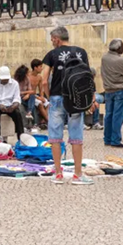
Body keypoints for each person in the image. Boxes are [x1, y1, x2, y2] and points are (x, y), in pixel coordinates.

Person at [41, 26, 93, 185]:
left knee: (55, 137)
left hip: (57, 97)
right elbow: (88, 78)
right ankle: (78, 174)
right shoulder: (81, 52)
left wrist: (50, 97)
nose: (52, 43)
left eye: (52, 40)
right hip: (76, 100)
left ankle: (58, 174)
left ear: (56, 38)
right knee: (76, 136)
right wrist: (89, 99)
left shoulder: (51, 55)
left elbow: (44, 80)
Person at [101, 39, 123, 148]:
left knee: (109, 115)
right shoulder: (121, 60)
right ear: (118, 48)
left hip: (108, 90)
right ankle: (115, 140)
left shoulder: (104, 58)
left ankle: (107, 138)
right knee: (118, 115)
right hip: (120, 90)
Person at [0, 66, 25, 140]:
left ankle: (21, 138)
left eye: (6, 79)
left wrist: (13, 106)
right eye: (3, 79)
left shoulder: (15, 84)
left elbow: (17, 99)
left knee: (17, 113)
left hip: (10, 105)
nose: (5, 81)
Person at [13, 65, 36, 129]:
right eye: (27, 72)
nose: (29, 74)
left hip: (26, 97)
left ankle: (29, 112)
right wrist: (26, 93)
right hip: (18, 97)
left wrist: (28, 94)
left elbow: (31, 91)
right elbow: (16, 93)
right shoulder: (15, 80)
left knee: (32, 96)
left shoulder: (27, 79)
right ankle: (28, 123)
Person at [27, 59, 49, 127]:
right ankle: (49, 121)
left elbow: (41, 89)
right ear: (35, 67)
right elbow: (28, 91)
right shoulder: (28, 76)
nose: (41, 68)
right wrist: (38, 98)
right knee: (40, 104)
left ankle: (43, 120)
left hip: (36, 95)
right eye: (40, 67)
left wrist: (42, 97)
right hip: (30, 96)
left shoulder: (39, 77)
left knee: (48, 104)